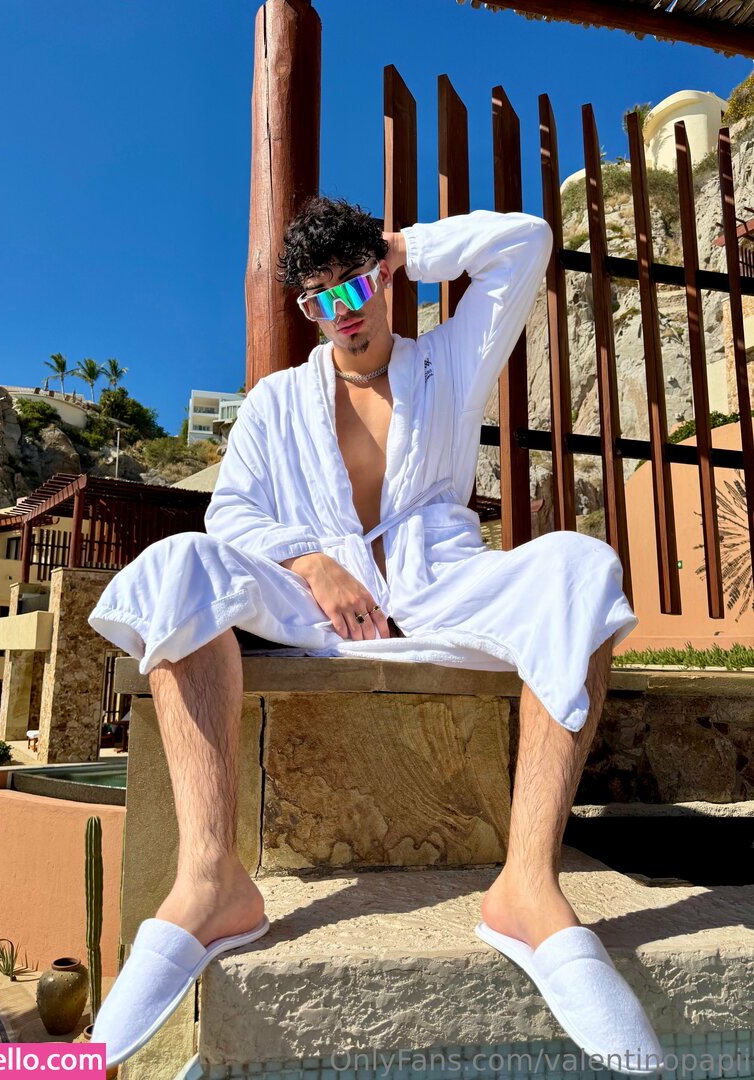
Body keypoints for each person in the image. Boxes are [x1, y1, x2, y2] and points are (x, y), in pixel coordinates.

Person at [87, 198, 661, 1073]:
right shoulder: (277, 402)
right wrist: (310, 561)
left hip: (441, 587)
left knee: (581, 567)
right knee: (178, 565)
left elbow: (527, 243)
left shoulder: (449, 361)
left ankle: (528, 885)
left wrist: (401, 246)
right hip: (310, 607)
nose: (341, 309)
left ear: (383, 277)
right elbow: (232, 513)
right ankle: (210, 880)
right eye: (318, 298)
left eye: (354, 284)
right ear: (305, 310)